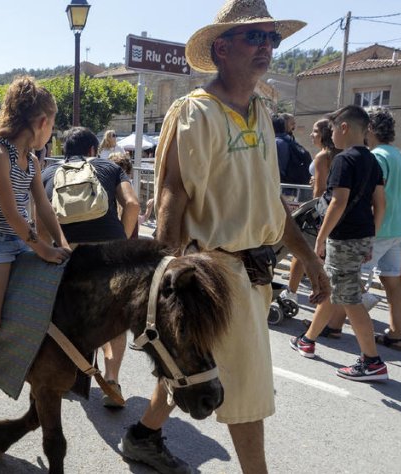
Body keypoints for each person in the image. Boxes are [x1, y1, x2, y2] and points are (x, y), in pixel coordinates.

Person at [119, 2, 329, 473]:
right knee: (247, 390)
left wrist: (310, 259)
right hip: (214, 273)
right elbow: (173, 191)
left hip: (255, 271)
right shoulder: (195, 111)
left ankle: (142, 435)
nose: (267, 47)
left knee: (198, 365)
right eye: (255, 37)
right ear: (222, 47)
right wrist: (165, 278)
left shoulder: (261, 109)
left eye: (272, 38)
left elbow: (272, 201)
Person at [0, 76, 71, 448]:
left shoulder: (33, 161)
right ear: (41, 123)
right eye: (51, 124)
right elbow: (11, 214)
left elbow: (43, 207)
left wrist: (64, 244)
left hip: (21, 240)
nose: (50, 132)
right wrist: (42, 249)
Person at [41, 127, 140, 407]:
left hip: (67, 253)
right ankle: (111, 379)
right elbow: (132, 204)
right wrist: (120, 239)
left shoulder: (50, 173)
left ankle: (66, 372)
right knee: (114, 317)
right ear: (93, 150)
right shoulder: (109, 167)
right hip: (107, 253)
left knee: (67, 316)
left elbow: (41, 223)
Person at [290, 105, 388, 381]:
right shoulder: (372, 162)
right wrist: (371, 237)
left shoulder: (344, 160)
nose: (331, 134)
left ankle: (372, 361)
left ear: (344, 127)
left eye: (333, 128)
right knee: (335, 291)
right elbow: (380, 203)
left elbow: (338, 201)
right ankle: (308, 339)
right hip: (361, 235)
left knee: (349, 299)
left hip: (342, 237)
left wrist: (320, 239)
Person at [284, 119, 345, 337]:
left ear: (324, 135)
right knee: (328, 265)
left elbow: (320, 192)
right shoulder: (342, 155)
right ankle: (331, 320)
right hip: (339, 217)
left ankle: (290, 293)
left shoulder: (323, 156)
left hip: (321, 216)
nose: (311, 135)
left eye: (315, 131)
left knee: (301, 254)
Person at [358, 107, 401, 350]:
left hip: (380, 228)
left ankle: (332, 325)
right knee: (392, 280)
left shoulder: (377, 156)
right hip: (399, 227)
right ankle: (396, 333)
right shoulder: (399, 155)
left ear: (369, 128)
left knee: (352, 278)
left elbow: (375, 195)